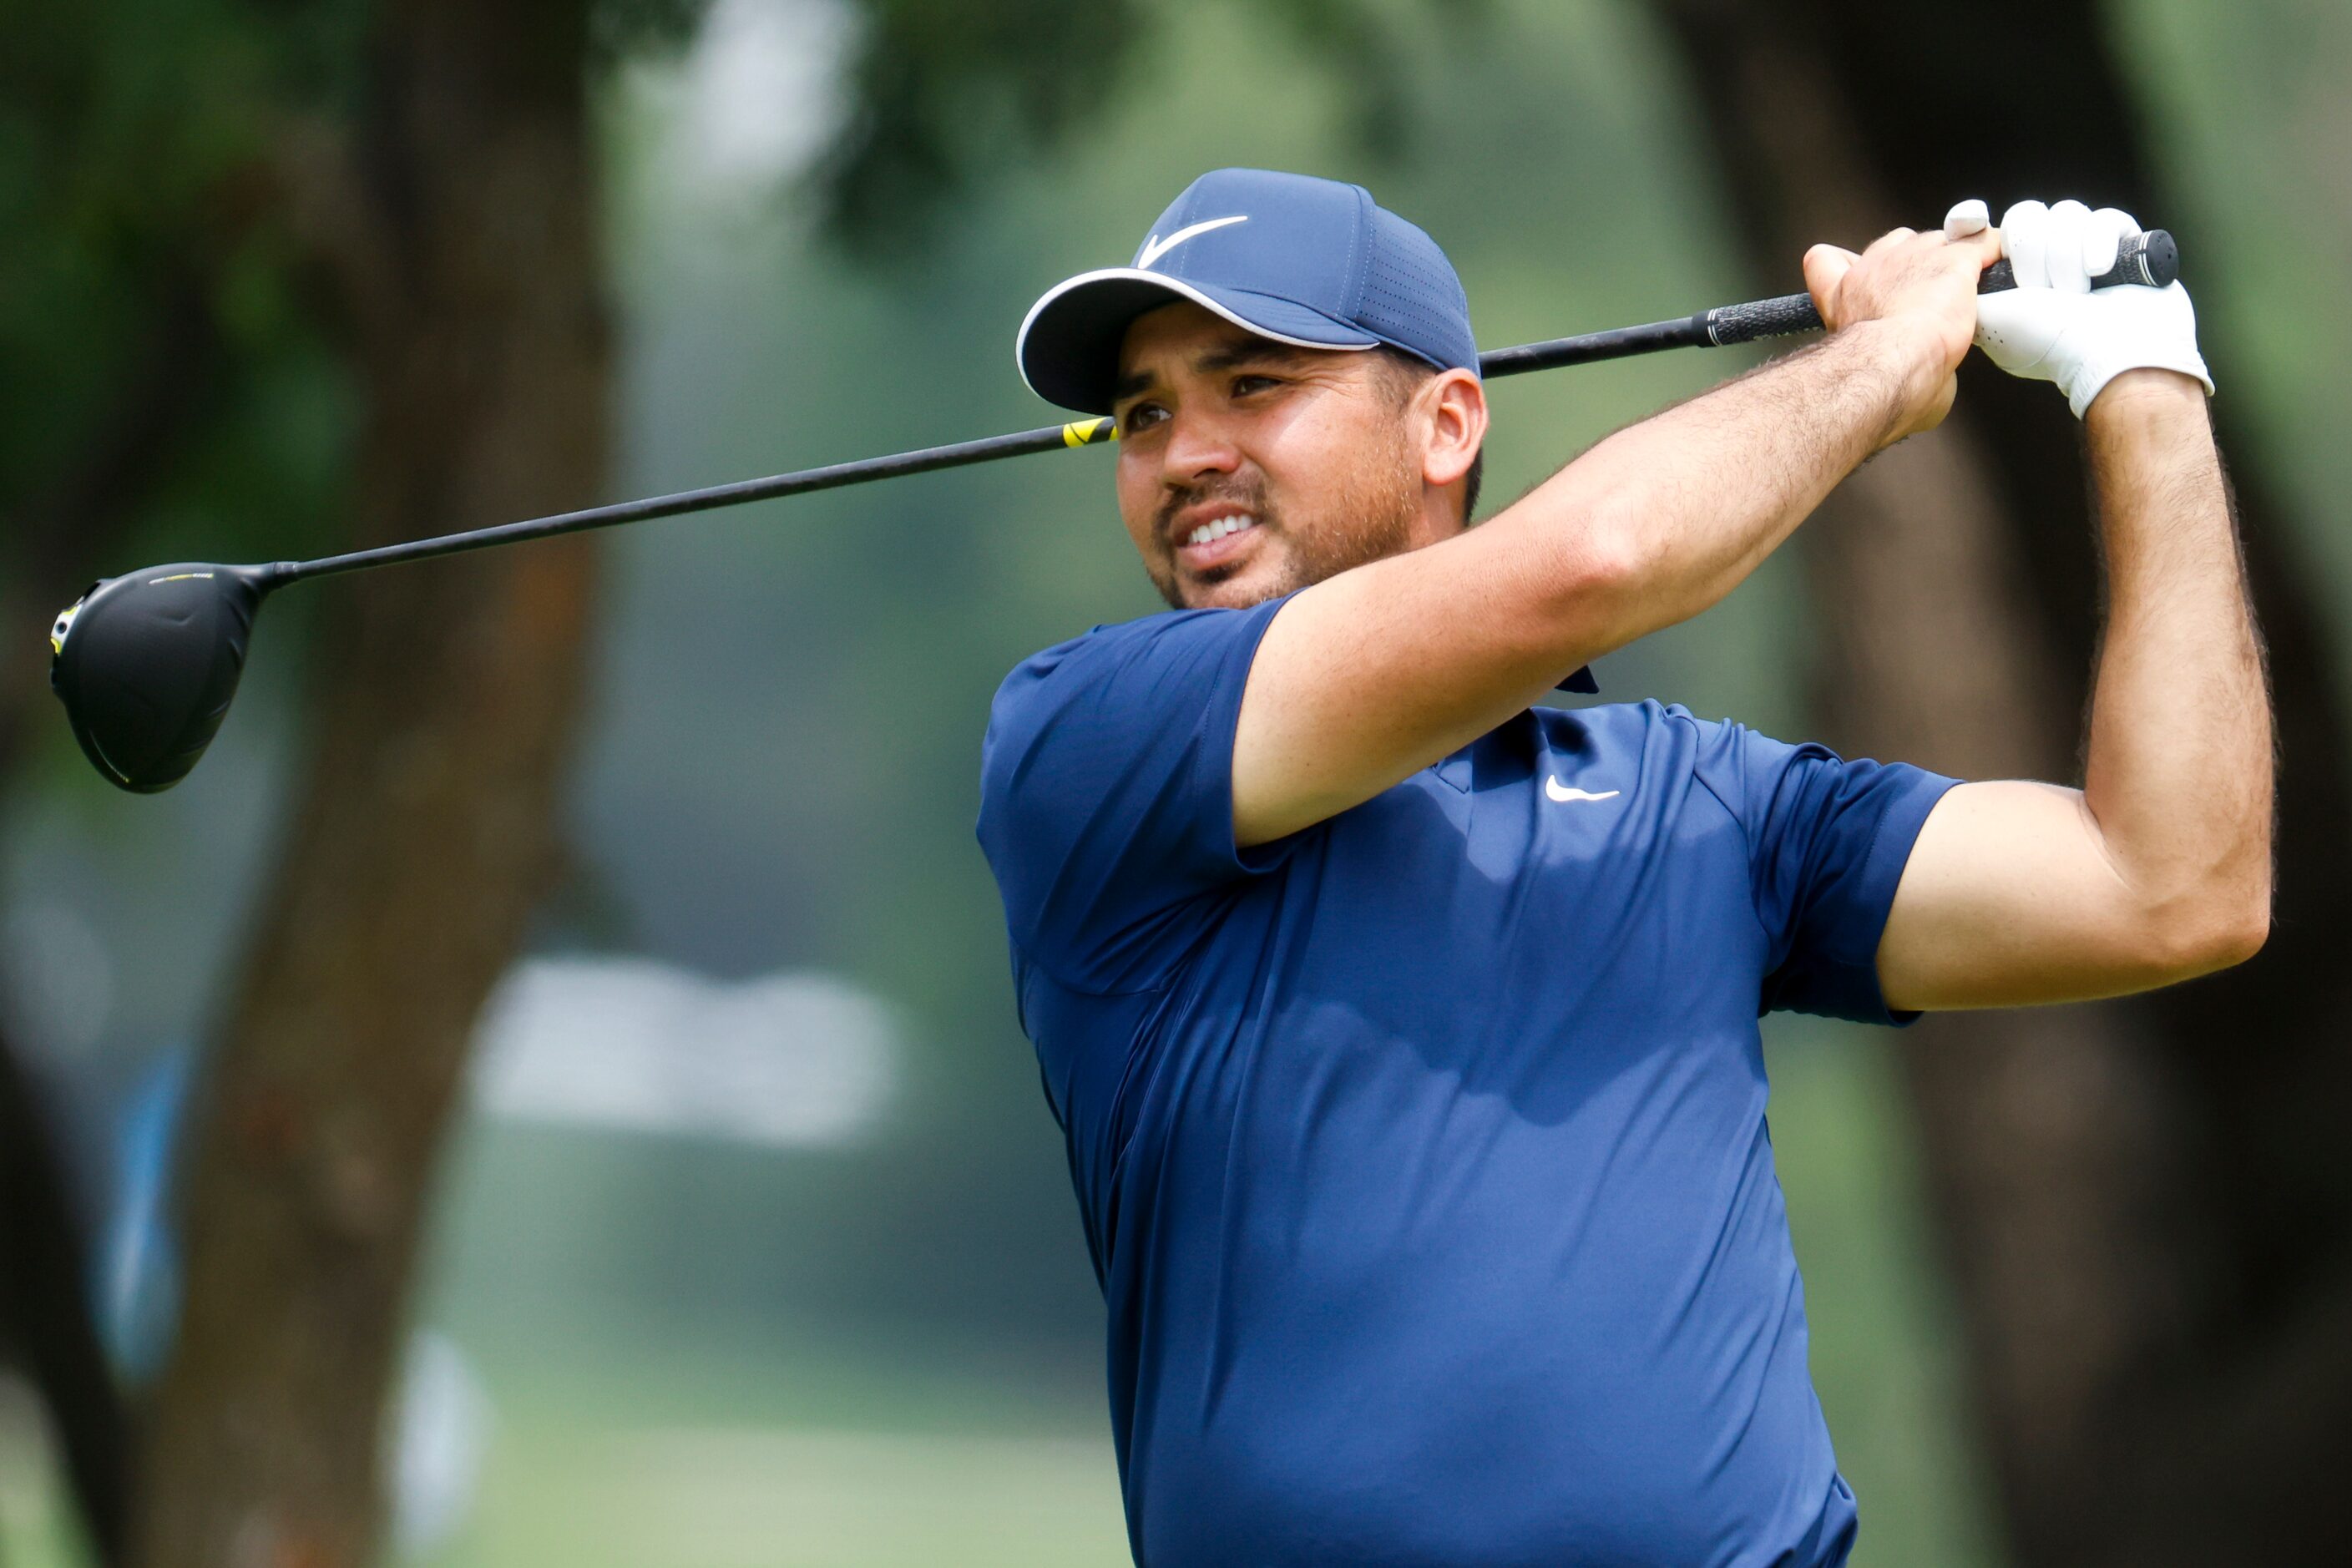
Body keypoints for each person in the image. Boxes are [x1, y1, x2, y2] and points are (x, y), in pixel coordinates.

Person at [974, 168, 2270, 1567]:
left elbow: (2172, 884)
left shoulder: (1698, 797)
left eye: (1250, 382)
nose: (1183, 453)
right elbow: (1597, 557)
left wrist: (2142, 378)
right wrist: (1880, 360)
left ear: (1447, 422)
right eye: (1145, 411)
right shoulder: (1090, 742)